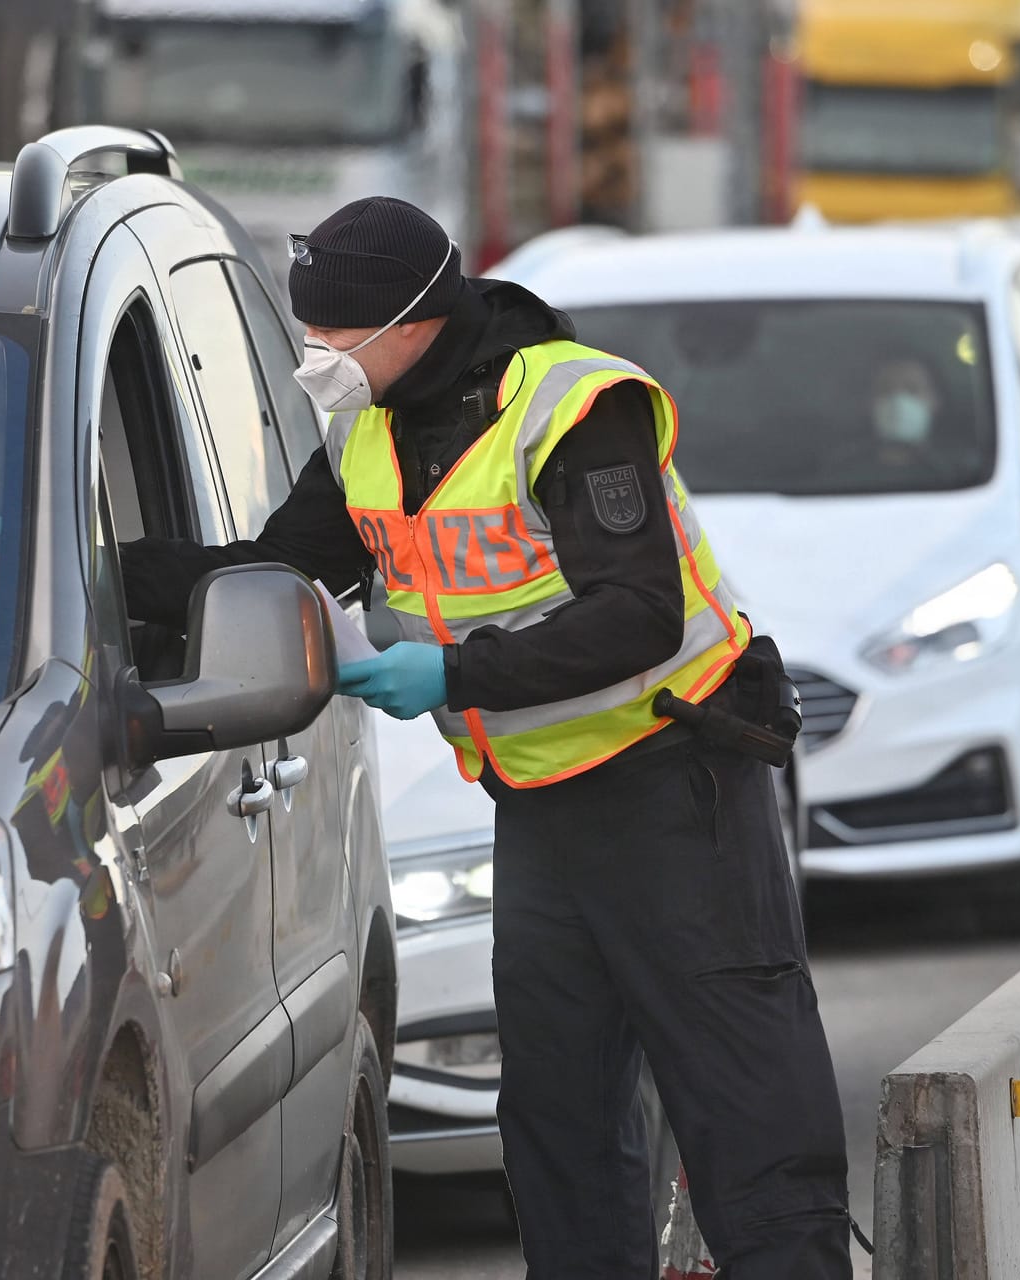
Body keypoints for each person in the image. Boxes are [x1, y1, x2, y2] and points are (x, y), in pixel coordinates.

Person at [120, 197, 852, 1276]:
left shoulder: (574, 407)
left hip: (677, 792)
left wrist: (455, 671)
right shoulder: (369, 432)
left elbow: (637, 609)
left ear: (411, 322)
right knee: (557, 1124)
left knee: (745, 1115)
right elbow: (272, 574)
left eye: (332, 335)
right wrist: (97, 577)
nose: (316, 356)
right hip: (544, 811)